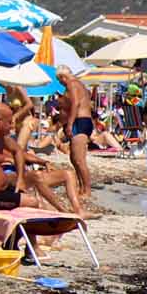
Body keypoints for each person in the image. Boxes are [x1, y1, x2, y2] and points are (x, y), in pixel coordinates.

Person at [62, 67, 96, 202]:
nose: (61, 84)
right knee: (74, 158)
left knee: (79, 159)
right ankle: (82, 187)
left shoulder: (72, 84)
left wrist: (69, 124)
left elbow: (75, 104)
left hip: (80, 121)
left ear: (64, 77)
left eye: (60, 80)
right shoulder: (79, 84)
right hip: (83, 121)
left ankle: (87, 190)